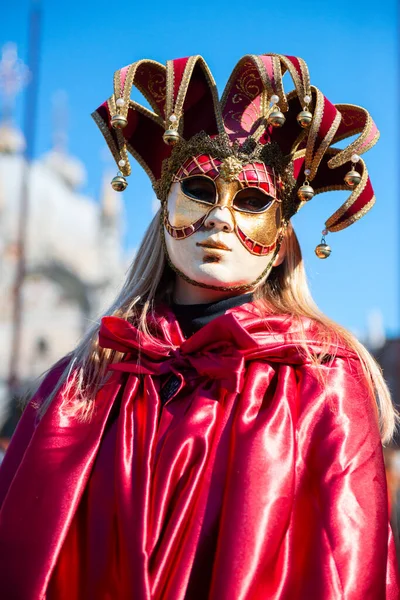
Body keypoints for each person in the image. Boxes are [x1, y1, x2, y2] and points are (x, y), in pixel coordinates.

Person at [0, 53, 399, 599]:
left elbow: (342, 566)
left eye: (252, 201)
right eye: (200, 192)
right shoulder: (82, 380)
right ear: (165, 212)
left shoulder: (322, 379)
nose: (218, 218)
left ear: (281, 241)